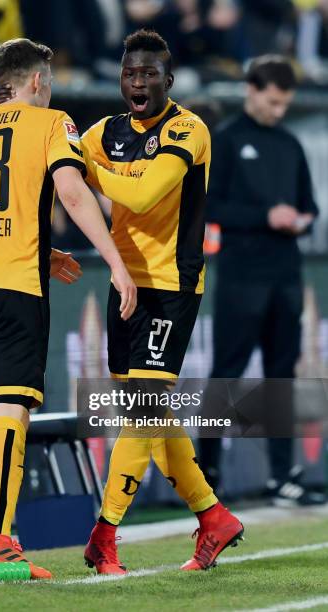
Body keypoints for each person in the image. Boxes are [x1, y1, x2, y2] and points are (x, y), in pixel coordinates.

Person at [0, 29, 244, 575]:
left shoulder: (187, 128)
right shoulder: (106, 132)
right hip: (125, 283)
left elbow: (144, 193)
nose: (139, 82)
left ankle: (104, 534)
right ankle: (214, 516)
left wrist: (88, 170)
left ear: (167, 80)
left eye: (149, 73)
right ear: (121, 80)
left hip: (172, 284)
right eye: (130, 74)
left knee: (142, 412)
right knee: (147, 416)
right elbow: (54, 171)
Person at [0, 37, 136, 579]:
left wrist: (35, 246)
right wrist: (116, 262)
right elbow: (71, 193)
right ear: (38, 82)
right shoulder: (50, 124)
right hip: (11, 289)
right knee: (11, 410)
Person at [199, 55, 323, 507]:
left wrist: (301, 219)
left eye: (284, 103)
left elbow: (311, 206)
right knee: (227, 375)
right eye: (272, 102)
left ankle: (282, 476)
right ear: (252, 90)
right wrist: (265, 216)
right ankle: (206, 473)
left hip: (286, 276)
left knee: (281, 376)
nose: (278, 111)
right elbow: (210, 207)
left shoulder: (289, 143)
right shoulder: (227, 141)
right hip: (241, 277)